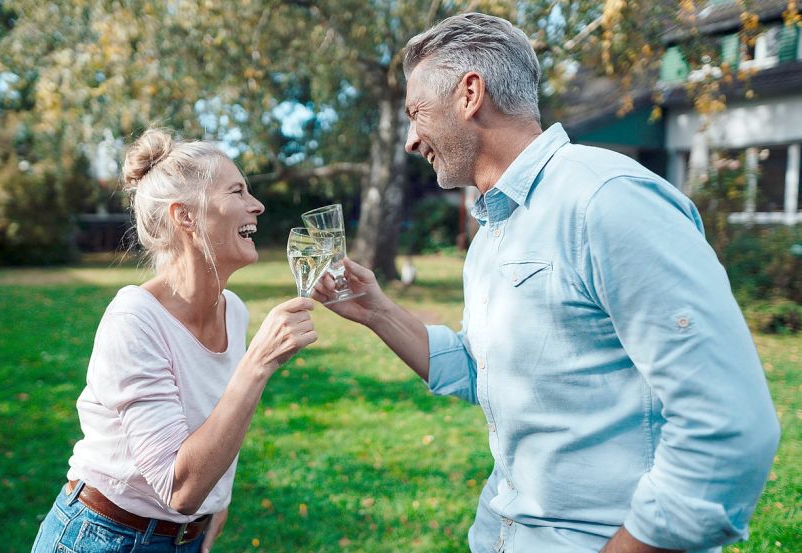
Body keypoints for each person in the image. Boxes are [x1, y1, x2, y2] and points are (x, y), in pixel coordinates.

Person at [314, 12, 780, 553]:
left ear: (470, 95)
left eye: (417, 113)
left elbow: (728, 428)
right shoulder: (494, 228)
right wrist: (376, 310)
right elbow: (480, 368)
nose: (411, 140)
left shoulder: (607, 199)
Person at [32, 129, 317, 553]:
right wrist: (257, 364)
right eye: (237, 191)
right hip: (102, 538)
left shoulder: (233, 310)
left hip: (184, 539)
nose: (256, 204)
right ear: (185, 216)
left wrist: (212, 512)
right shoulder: (135, 320)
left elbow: (212, 424)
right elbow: (178, 487)